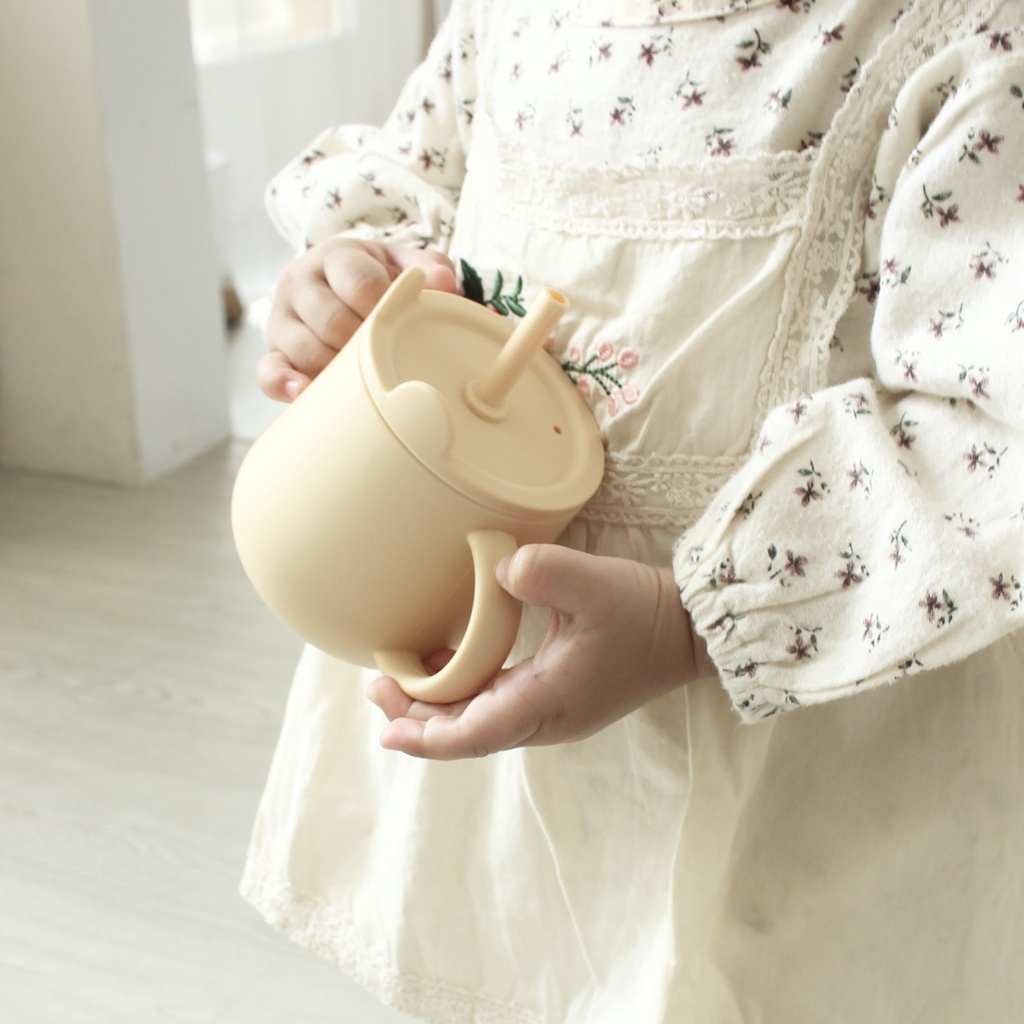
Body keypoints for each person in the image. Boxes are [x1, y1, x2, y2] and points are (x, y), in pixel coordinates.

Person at [242, 1, 1024, 1020]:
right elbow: (423, 186)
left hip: (810, 755)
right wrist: (350, 286)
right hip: (502, 695)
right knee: (526, 964)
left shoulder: (971, 40)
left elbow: (986, 425)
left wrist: (690, 622)